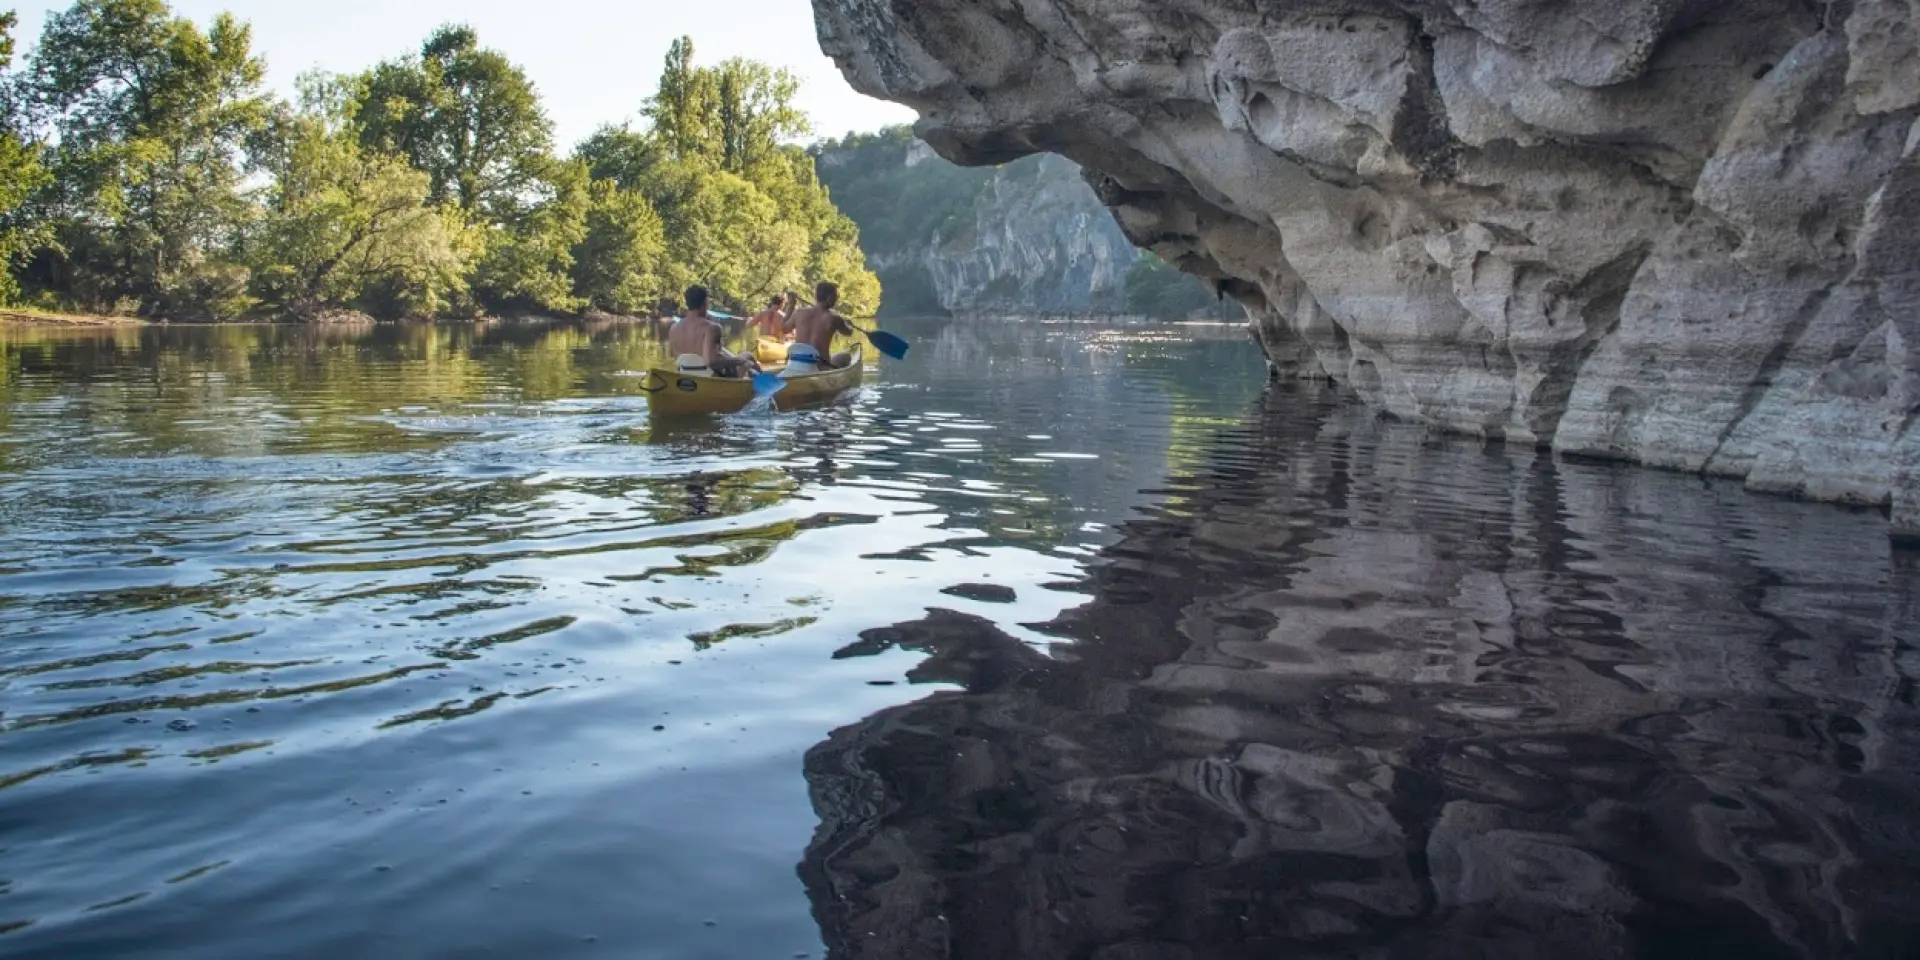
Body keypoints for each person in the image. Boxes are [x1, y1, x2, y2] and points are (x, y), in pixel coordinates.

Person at [666, 285, 753, 378]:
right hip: (711, 379)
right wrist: (740, 360)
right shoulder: (712, 328)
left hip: (686, 376)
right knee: (747, 356)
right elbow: (711, 361)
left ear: (687, 304)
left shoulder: (673, 328)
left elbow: (674, 356)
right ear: (705, 303)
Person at [783, 282, 857, 375]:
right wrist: (849, 324)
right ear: (830, 298)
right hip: (820, 368)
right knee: (846, 356)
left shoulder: (799, 313)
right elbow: (849, 332)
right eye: (836, 296)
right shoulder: (834, 318)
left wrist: (791, 306)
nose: (836, 299)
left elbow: (784, 329)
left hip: (796, 365)